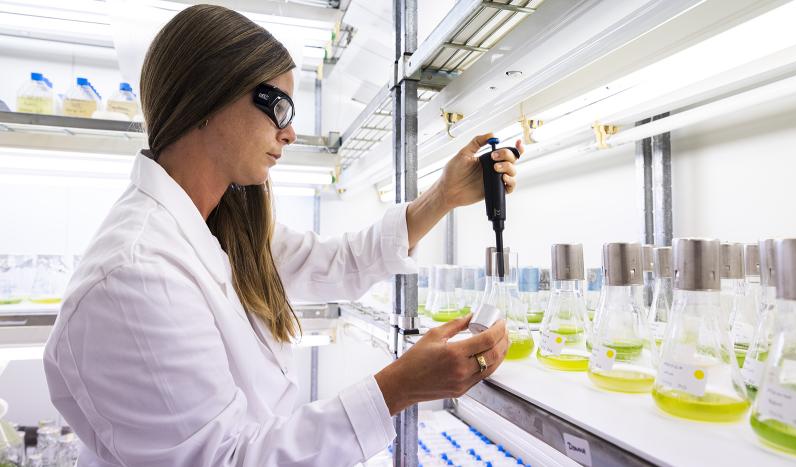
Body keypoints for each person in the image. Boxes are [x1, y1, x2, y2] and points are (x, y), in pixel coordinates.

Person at [43, 4, 524, 466]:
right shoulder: (135, 275)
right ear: (206, 97)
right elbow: (225, 461)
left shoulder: (218, 224)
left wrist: (440, 197)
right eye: (278, 107)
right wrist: (399, 386)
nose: (290, 133)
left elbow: (335, 263)